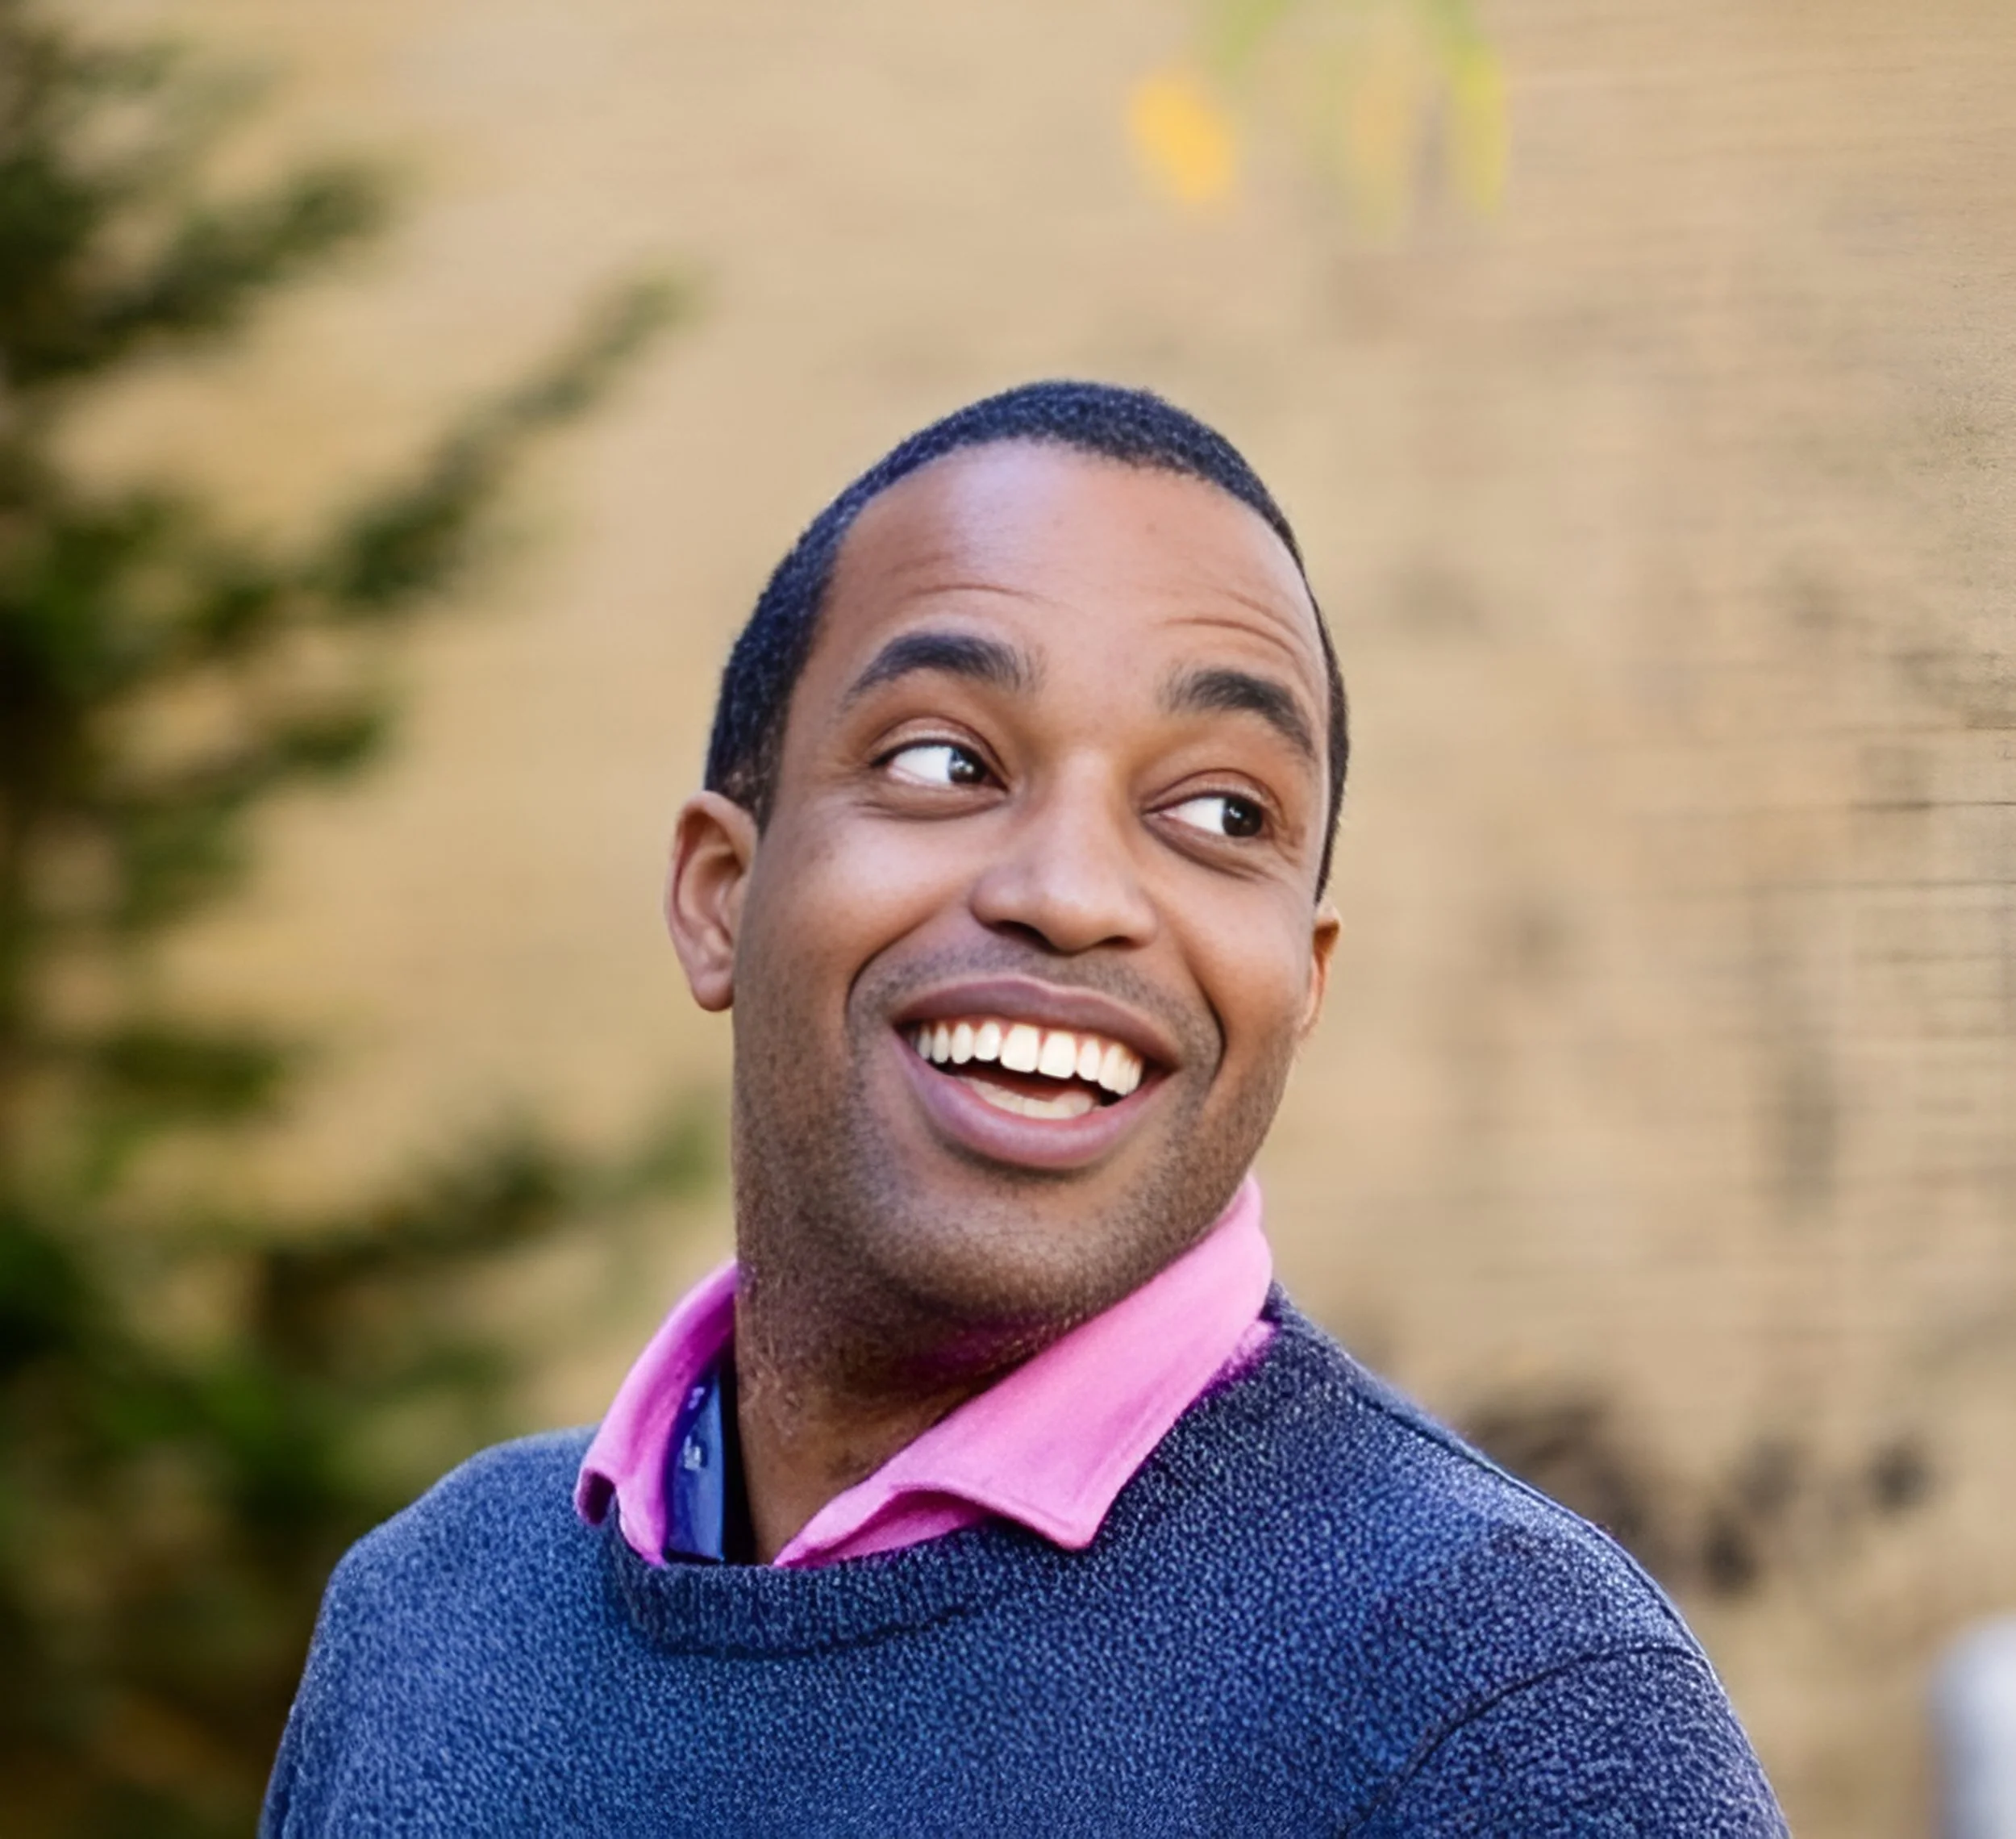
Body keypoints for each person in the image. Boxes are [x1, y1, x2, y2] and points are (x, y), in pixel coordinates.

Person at [262, 382, 1788, 1836]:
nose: (1070, 894)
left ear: (1303, 981)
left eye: (1222, 813)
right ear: (722, 895)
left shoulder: (1500, 1710)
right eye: (944, 761)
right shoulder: (430, 1615)